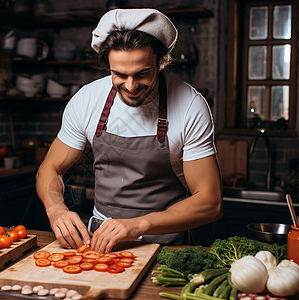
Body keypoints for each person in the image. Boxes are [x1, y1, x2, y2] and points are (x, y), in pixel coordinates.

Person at [36, 8, 222, 254]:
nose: (131, 86)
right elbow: (50, 168)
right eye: (119, 75)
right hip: (99, 243)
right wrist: (56, 209)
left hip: (166, 245)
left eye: (142, 73)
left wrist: (139, 225)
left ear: (161, 61)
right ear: (108, 66)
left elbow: (210, 201)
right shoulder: (87, 100)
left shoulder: (190, 105)